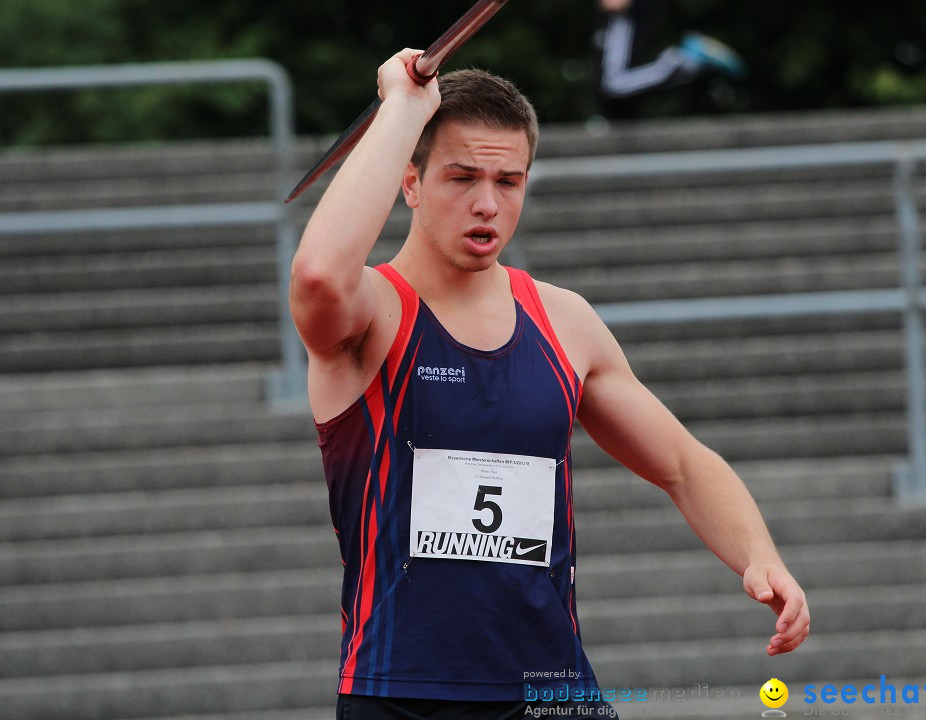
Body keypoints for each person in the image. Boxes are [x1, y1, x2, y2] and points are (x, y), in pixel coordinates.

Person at [290, 49, 809, 720]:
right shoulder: (372, 315)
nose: (487, 203)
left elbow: (683, 464)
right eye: (462, 177)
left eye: (509, 181)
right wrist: (401, 107)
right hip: (405, 693)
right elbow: (318, 278)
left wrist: (759, 555)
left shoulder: (565, 322)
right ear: (409, 181)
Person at [594, 0, 745, 120]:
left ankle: (683, 60)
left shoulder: (622, 19)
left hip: (625, 18)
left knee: (613, 83)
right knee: (616, 90)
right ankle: (685, 63)